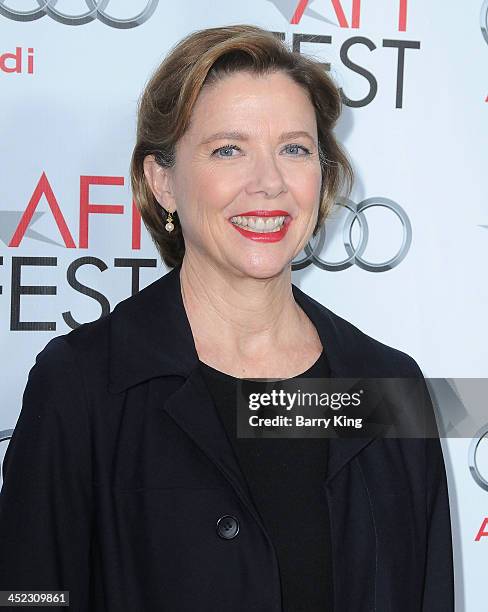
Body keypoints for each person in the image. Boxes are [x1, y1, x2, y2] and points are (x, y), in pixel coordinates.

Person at [0, 24, 454, 612]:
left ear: (322, 178)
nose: (269, 183)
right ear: (160, 180)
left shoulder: (389, 387)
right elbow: (28, 596)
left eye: (294, 148)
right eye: (228, 149)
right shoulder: (84, 383)